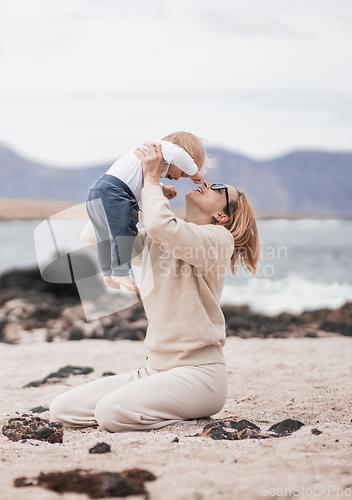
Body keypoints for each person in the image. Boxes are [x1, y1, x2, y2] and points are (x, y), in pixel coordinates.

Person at [50, 141, 259, 432]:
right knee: (62, 410)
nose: (208, 183)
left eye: (219, 189)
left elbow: (163, 226)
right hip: (155, 369)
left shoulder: (217, 240)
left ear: (222, 216)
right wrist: (132, 198)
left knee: (111, 413)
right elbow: (93, 235)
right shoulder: (159, 239)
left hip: (199, 376)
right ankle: (161, 407)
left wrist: (150, 179)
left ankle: (183, 416)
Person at [86, 132, 209, 294]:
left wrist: (162, 188)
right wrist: (195, 173)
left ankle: (107, 272)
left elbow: (143, 179)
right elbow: (179, 155)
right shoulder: (162, 148)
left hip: (98, 191)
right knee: (124, 231)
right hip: (115, 193)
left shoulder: (144, 156)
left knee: (104, 235)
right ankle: (121, 272)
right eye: (184, 173)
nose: (180, 178)